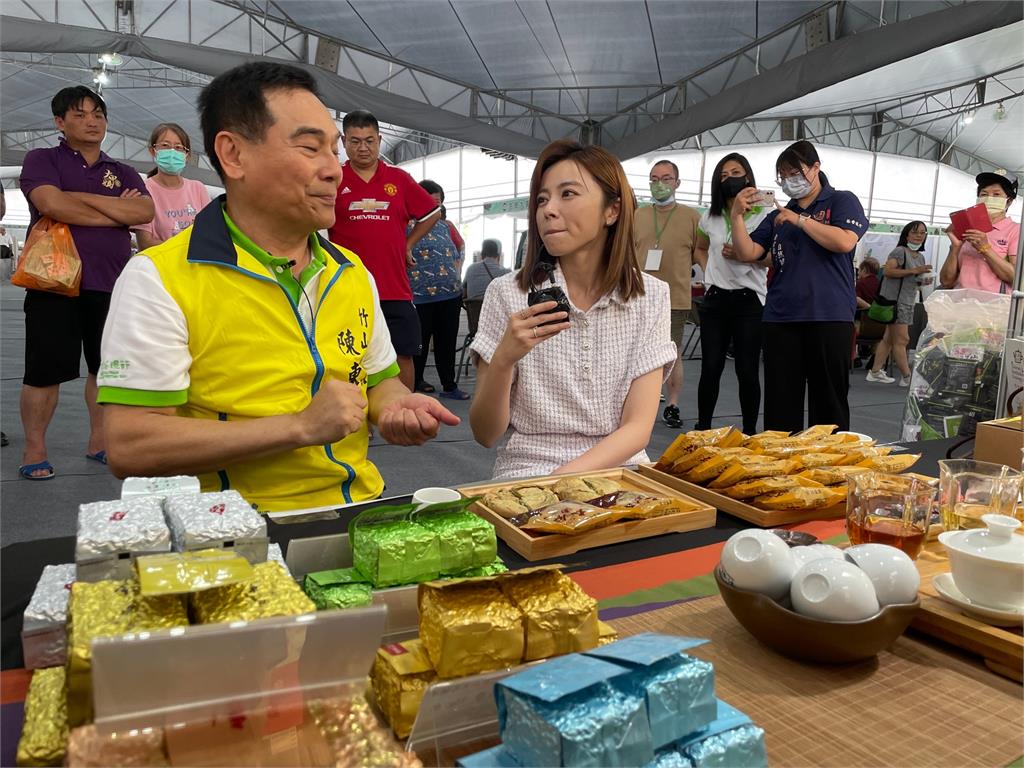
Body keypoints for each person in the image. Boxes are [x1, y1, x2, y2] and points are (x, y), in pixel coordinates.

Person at [98, 62, 458, 512]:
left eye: (334, 150)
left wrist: (396, 409)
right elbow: (131, 444)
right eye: (311, 147)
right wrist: (299, 427)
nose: (335, 171)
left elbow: (381, 381)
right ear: (233, 155)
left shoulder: (351, 273)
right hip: (234, 529)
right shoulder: (160, 279)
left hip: (360, 508)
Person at [469, 139, 676, 479]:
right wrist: (504, 359)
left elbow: (637, 429)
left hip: (621, 470)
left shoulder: (650, 296)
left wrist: (560, 483)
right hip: (526, 469)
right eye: (542, 198)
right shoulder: (507, 293)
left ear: (612, 210)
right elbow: (485, 434)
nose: (548, 209)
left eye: (568, 194)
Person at [18, 86, 154, 480]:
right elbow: (51, 204)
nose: (92, 121)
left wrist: (77, 200)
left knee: (105, 370)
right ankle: (35, 447)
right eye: (80, 114)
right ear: (60, 122)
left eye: (98, 114)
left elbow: (143, 210)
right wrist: (115, 213)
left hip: (111, 282)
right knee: (43, 371)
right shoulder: (41, 158)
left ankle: (100, 440)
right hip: (52, 281)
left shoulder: (123, 170)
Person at [729, 140, 867, 432]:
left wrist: (801, 220)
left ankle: (830, 469)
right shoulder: (778, 214)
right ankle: (781, 467)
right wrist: (736, 217)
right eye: (783, 175)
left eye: (796, 172)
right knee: (780, 406)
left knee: (829, 406)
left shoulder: (841, 201)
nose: (790, 180)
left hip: (829, 316)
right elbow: (748, 253)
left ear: (816, 168)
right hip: (782, 317)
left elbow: (844, 241)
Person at [328, 109, 441, 390]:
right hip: (347, 289)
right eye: (355, 141)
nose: (363, 147)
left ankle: (403, 418)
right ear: (343, 142)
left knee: (403, 353)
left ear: (379, 140)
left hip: (393, 288)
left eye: (369, 140)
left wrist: (408, 244)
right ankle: (355, 423)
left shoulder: (399, 180)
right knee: (348, 357)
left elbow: (431, 212)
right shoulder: (334, 179)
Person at [692, 153, 768, 435]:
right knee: (710, 367)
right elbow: (699, 248)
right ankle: (702, 429)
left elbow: (773, 258)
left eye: (735, 172)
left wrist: (746, 256)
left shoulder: (765, 214)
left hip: (750, 300)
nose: (729, 179)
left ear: (748, 176)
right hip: (715, 298)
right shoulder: (709, 216)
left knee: (747, 370)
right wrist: (708, 269)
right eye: (723, 176)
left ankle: (749, 432)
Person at [634, 159, 700, 429]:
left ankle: (672, 404)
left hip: (675, 297)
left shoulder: (692, 216)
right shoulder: (637, 215)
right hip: (637, 297)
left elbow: (700, 253)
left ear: (677, 182)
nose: (659, 184)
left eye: (666, 178)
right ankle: (636, 404)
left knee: (672, 353)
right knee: (635, 352)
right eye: (654, 179)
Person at [407, 179, 469, 399]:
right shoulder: (405, 225)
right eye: (430, 203)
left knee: (447, 340)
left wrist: (457, 271)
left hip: (450, 294)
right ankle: (416, 381)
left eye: (438, 205)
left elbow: (460, 247)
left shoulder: (446, 226)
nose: (434, 209)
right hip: (418, 295)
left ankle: (449, 385)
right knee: (419, 342)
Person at [866, 222, 932, 387]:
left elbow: (911, 280)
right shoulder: (900, 251)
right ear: (906, 234)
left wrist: (923, 280)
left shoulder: (920, 257)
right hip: (896, 303)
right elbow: (888, 271)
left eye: (923, 233)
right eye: (915, 232)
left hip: (907, 301)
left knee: (889, 338)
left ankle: (875, 372)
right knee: (902, 340)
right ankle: (907, 377)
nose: (919, 236)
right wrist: (915, 271)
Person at [939, 169, 1019, 293]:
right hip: (960, 304)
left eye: (996, 194)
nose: (988, 198)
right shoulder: (969, 229)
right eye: (984, 194)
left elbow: (1015, 278)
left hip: (993, 308)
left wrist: (985, 248)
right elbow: (946, 281)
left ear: (1009, 201)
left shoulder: (1015, 230)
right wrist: (955, 247)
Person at [134, 123, 212, 249]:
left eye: (178, 147)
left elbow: (211, 233)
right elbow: (145, 244)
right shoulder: (143, 191)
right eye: (165, 145)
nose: (172, 151)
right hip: (162, 266)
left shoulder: (198, 189)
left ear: (187, 156)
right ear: (153, 151)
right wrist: (189, 247)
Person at [464, 238, 510, 336]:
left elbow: (464, 293)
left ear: (482, 255)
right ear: (498, 256)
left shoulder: (471, 269)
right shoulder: (506, 273)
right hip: (498, 328)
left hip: (476, 327)